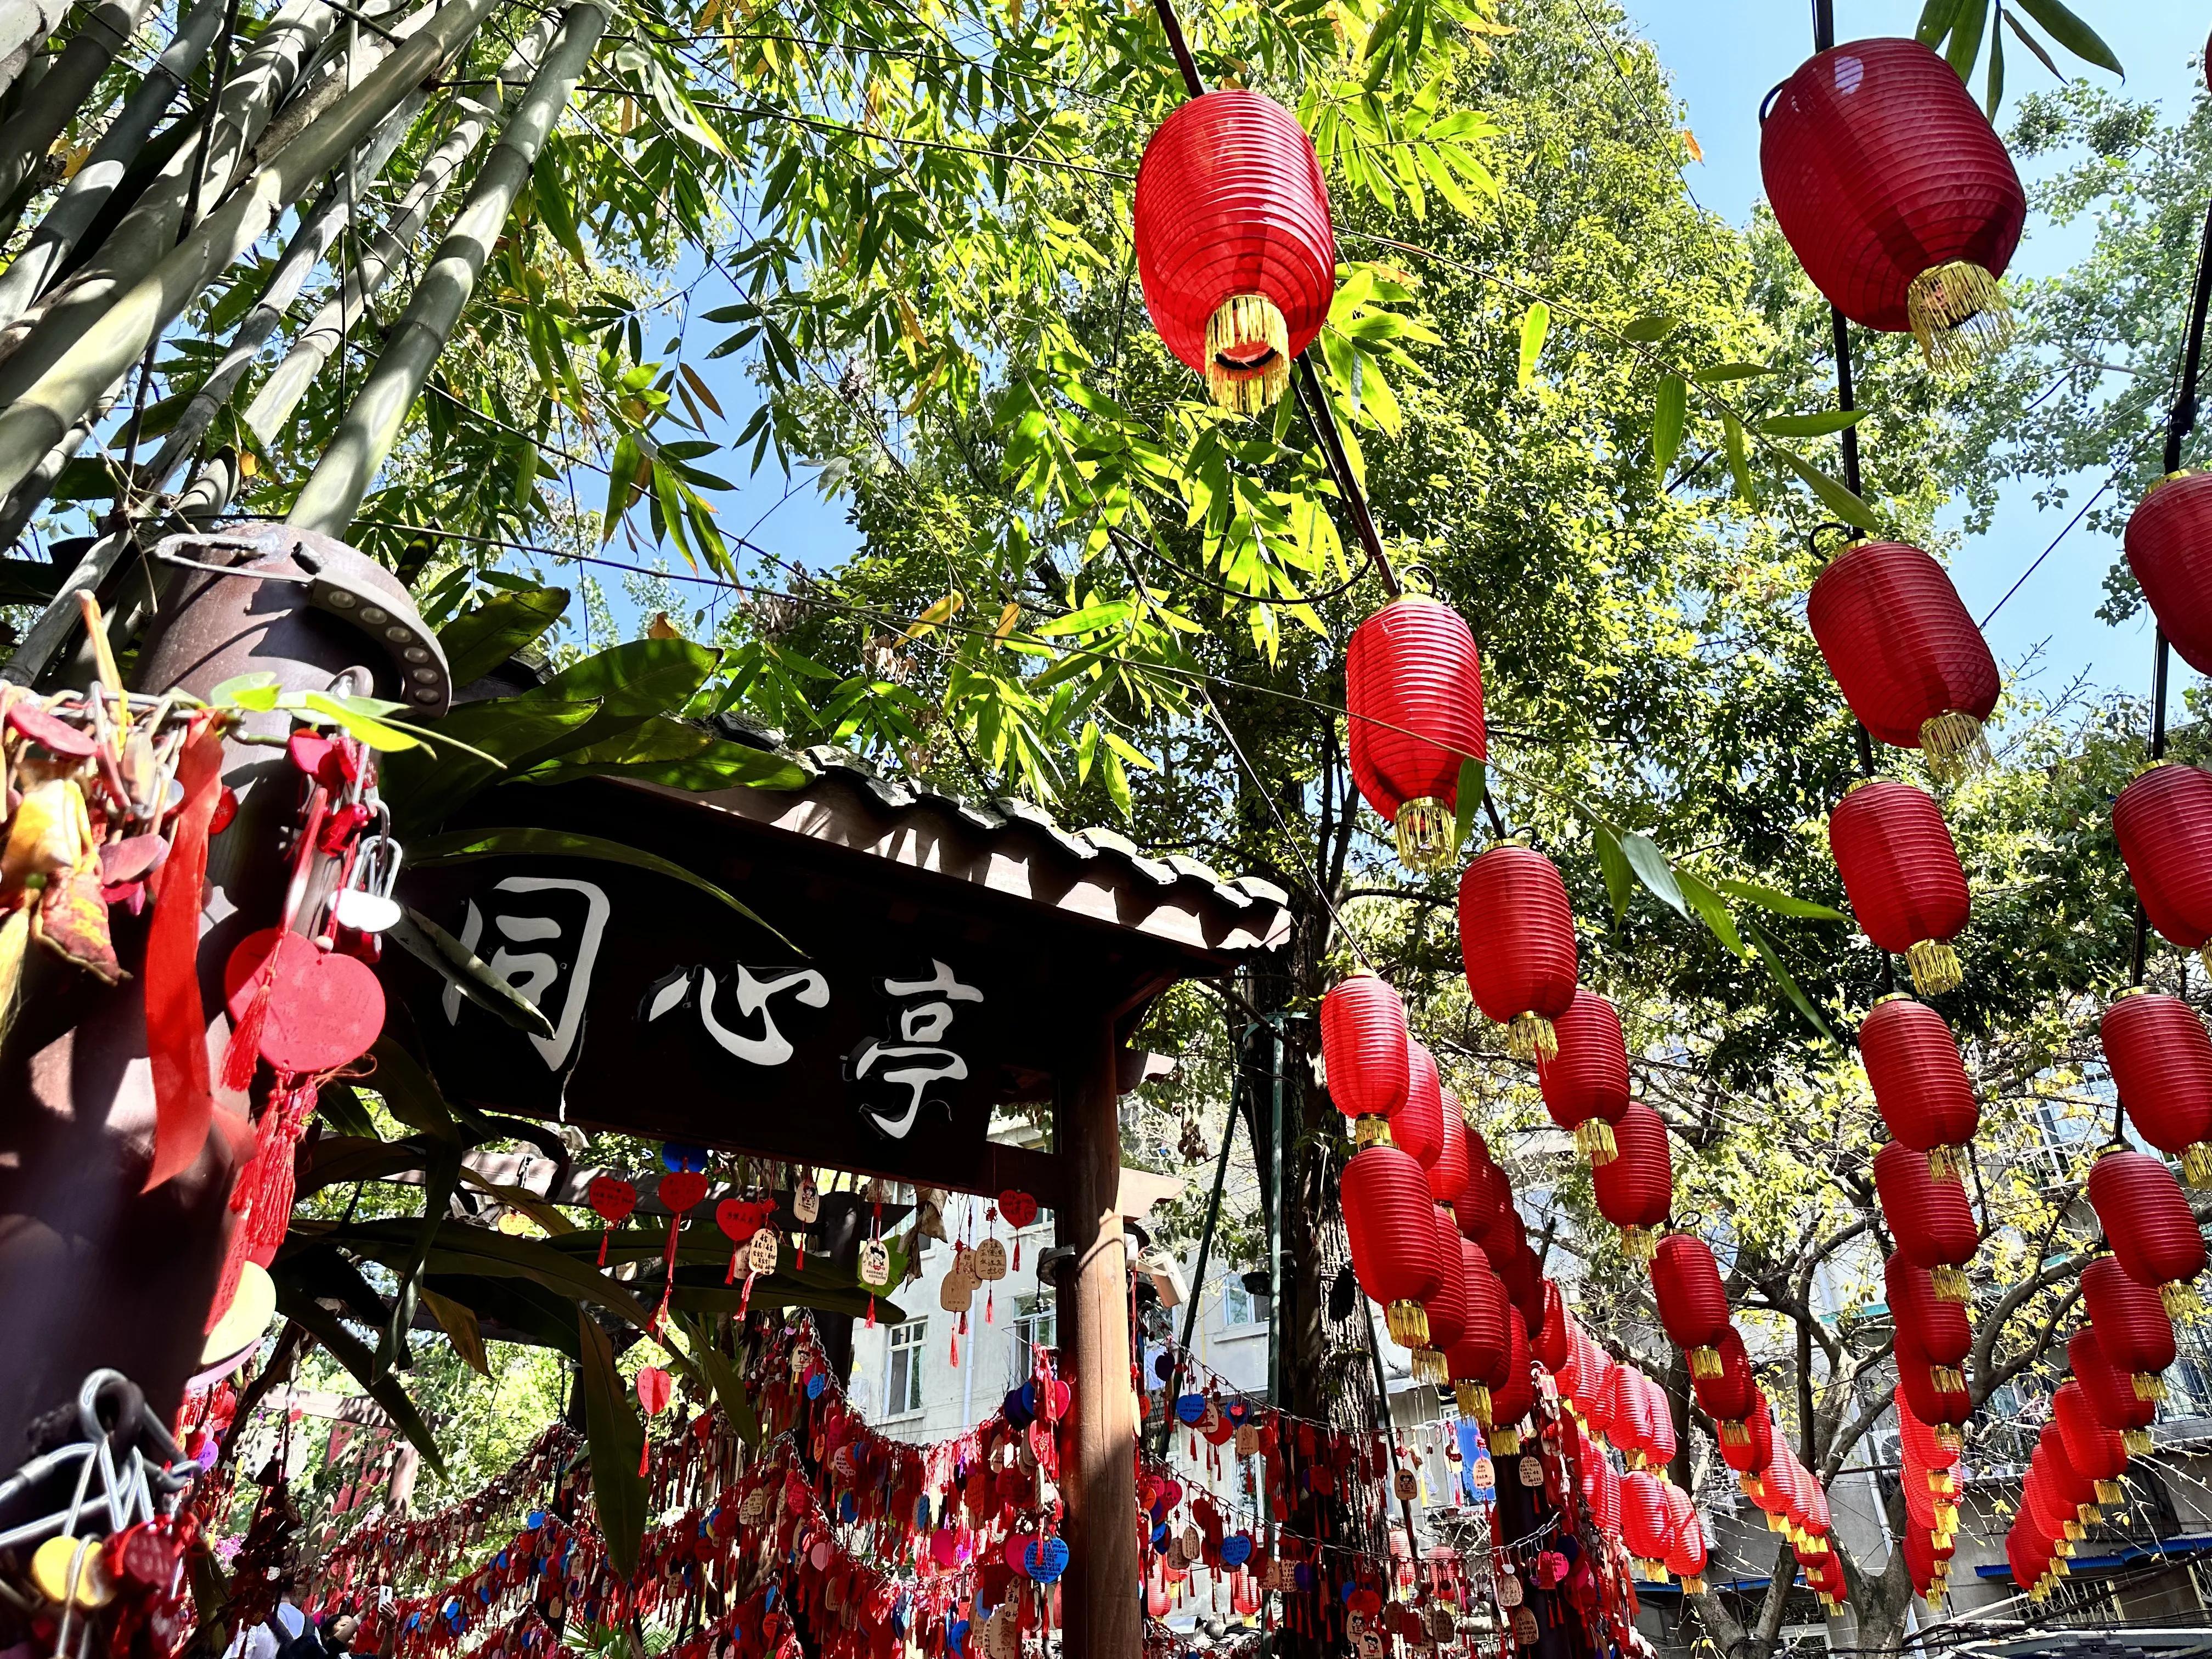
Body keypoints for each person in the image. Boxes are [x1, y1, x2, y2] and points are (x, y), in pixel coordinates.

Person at [275, 1613, 357, 1659]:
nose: (352, 1631)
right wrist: (360, 1617)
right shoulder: (312, 1651)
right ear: (327, 1635)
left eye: (355, 1629)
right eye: (346, 1625)